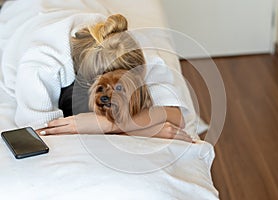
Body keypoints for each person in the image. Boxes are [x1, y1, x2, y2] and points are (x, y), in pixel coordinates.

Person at [0, 1, 193, 142]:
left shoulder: (131, 50)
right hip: (27, 11)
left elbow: (175, 115)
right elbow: (42, 131)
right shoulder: (40, 64)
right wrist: (143, 128)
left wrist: (109, 125)